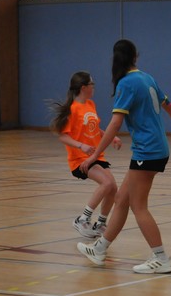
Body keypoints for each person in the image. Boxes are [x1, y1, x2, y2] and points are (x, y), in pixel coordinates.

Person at [76, 39, 171, 274]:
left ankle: (160, 258)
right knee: (121, 199)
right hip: (157, 148)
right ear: (135, 57)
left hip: (147, 151)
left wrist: (95, 155)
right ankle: (99, 249)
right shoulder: (147, 78)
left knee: (139, 206)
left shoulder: (126, 83)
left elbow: (115, 123)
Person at [49, 71, 121, 238]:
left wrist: (111, 137)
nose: (94, 87)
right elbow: (63, 136)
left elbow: (94, 128)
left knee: (113, 187)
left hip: (96, 156)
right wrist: (80, 145)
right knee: (106, 183)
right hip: (80, 159)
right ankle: (82, 219)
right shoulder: (72, 109)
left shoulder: (90, 104)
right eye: (91, 84)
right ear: (83, 88)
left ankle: (100, 223)